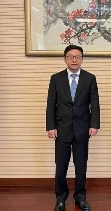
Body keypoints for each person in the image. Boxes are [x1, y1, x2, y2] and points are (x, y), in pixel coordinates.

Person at [46, 45, 100, 211]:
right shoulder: (56, 78)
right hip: (61, 129)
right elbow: (51, 105)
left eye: (77, 57)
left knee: (81, 167)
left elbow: (95, 104)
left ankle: (80, 197)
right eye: (70, 56)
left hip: (82, 129)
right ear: (65, 59)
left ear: (82, 59)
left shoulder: (90, 78)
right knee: (60, 167)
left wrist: (94, 124)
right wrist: (51, 126)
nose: (74, 59)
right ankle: (60, 198)